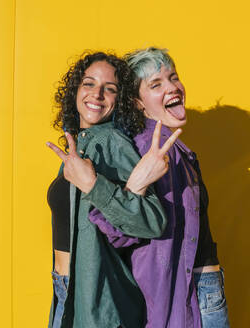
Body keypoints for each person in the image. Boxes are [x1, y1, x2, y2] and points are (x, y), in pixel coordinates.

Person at [89, 47, 230, 327]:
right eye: (156, 84)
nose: (172, 87)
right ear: (138, 103)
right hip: (191, 297)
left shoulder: (176, 149)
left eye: (173, 77)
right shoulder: (150, 148)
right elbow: (116, 230)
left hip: (201, 291)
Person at [45, 51, 180, 328]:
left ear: (119, 100)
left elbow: (151, 221)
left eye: (110, 89)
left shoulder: (114, 143)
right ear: (75, 90)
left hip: (100, 301)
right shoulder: (78, 145)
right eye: (89, 84)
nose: (97, 94)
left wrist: (94, 186)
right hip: (65, 290)